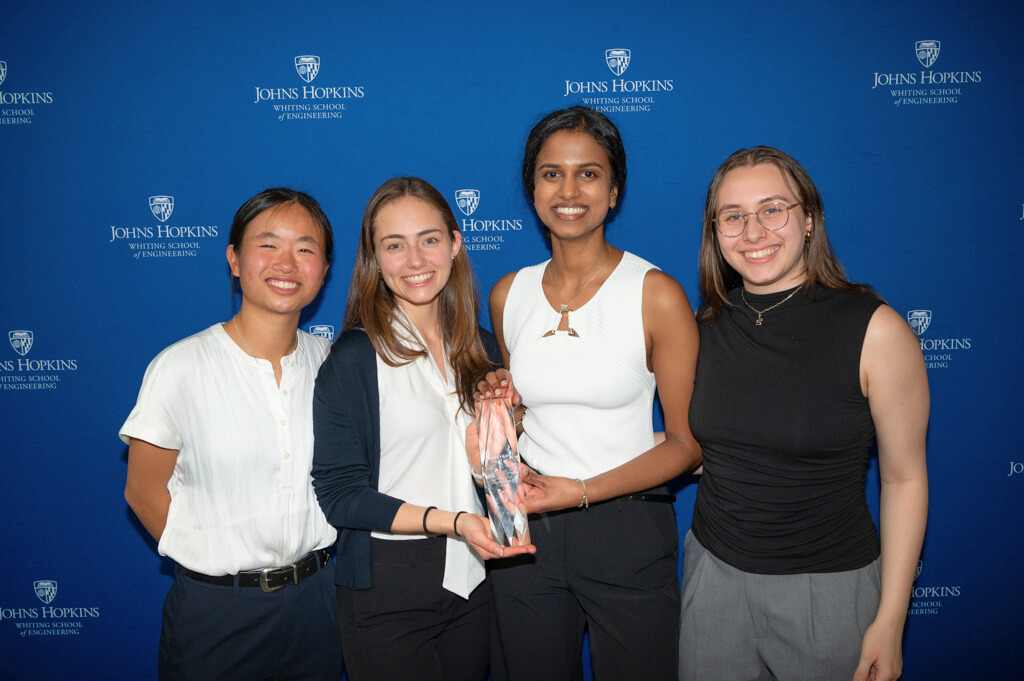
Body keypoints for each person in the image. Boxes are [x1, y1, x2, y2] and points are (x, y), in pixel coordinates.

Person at [681, 146, 929, 681]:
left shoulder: (875, 329)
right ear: (715, 232)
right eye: (734, 216)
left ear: (809, 219)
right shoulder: (703, 327)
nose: (754, 232)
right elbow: (702, 450)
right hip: (712, 577)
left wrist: (891, 619)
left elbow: (905, 478)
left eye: (773, 209)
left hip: (829, 590)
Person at [482, 106, 702, 681]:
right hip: (527, 530)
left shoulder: (655, 294)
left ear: (614, 189)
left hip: (626, 531)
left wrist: (581, 492)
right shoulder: (509, 293)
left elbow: (685, 444)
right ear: (532, 188)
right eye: (551, 173)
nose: (569, 189)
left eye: (589, 173)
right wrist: (502, 406)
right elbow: (523, 414)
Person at [310, 177, 535, 681]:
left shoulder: (480, 348)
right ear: (374, 259)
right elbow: (341, 496)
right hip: (387, 586)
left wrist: (507, 431)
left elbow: (487, 473)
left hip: (474, 581)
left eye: (429, 239)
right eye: (395, 245)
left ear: (455, 245)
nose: (415, 260)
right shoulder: (355, 357)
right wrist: (454, 522)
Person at [121, 188, 342, 681]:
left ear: (324, 269)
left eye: (306, 248)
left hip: (320, 605)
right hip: (218, 615)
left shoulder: (333, 366)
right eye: (268, 244)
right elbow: (142, 492)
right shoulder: (181, 366)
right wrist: (215, 562)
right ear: (234, 260)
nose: (287, 263)